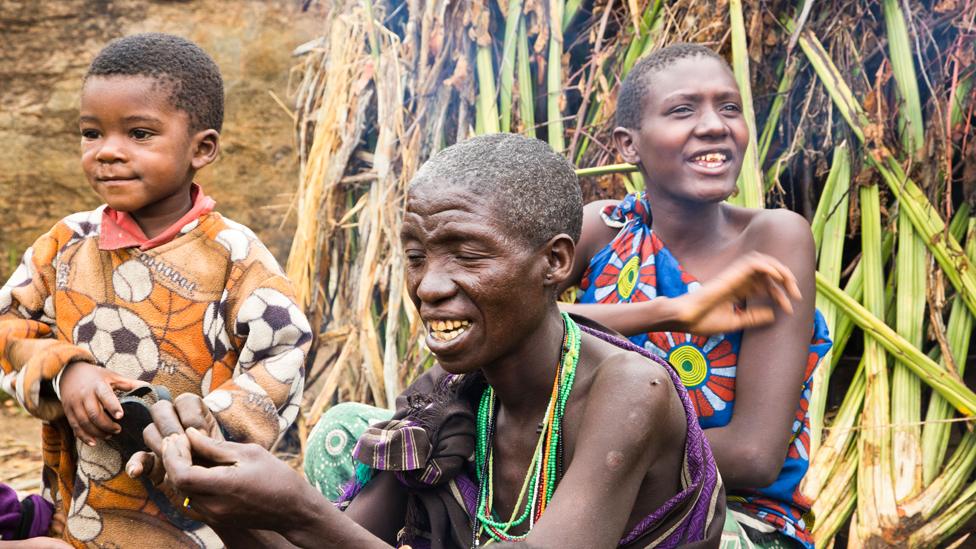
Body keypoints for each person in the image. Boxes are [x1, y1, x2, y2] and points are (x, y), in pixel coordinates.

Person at [131, 134, 759, 548]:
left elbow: (319, 529)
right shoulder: (446, 397)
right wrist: (216, 497)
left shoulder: (627, 391)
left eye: (468, 253)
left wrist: (299, 507)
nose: (429, 286)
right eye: (415, 254)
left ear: (556, 262)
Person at [0, 33, 311, 548]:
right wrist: (64, 369)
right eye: (91, 132)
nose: (108, 152)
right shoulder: (65, 245)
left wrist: (207, 428)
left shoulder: (235, 256)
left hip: (202, 521)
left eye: (140, 134)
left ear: (202, 148)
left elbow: (281, 354)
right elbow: (7, 326)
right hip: (84, 514)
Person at [562, 44, 831, 549]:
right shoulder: (603, 230)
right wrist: (674, 312)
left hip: (732, 520)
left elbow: (754, 454)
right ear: (628, 144)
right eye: (683, 110)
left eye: (729, 107)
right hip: (587, 502)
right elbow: (501, 321)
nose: (714, 125)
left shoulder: (773, 239)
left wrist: (581, 459)